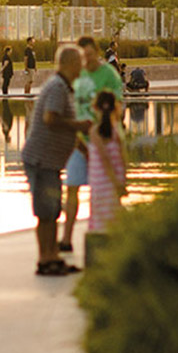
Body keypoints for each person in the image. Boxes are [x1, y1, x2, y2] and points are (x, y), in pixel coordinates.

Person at [22, 44, 91, 277]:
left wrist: (83, 148)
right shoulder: (57, 87)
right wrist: (78, 126)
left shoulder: (64, 87)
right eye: (80, 63)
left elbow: (63, 127)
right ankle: (45, 259)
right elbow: (51, 119)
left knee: (52, 210)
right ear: (71, 64)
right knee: (46, 211)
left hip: (50, 162)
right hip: (41, 160)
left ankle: (53, 256)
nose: (82, 67)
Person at [60, 36, 123, 254]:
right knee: (72, 188)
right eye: (82, 56)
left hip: (102, 141)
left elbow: (118, 107)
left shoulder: (109, 75)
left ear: (97, 51)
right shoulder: (76, 75)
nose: (86, 60)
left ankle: (105, 234)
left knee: (103, 191)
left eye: (89, 55)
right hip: (77, 142)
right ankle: (66, 238)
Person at [85, 91, 127, 235]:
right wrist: (121, 181)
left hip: (100, 182)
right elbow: (122, 158)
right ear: (115, 108)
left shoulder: (94, 131)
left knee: (100, 221)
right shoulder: (116, 132)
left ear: (95, 108)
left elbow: (104, 159)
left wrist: (114, 181)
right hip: (116, 180)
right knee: (114, 217)